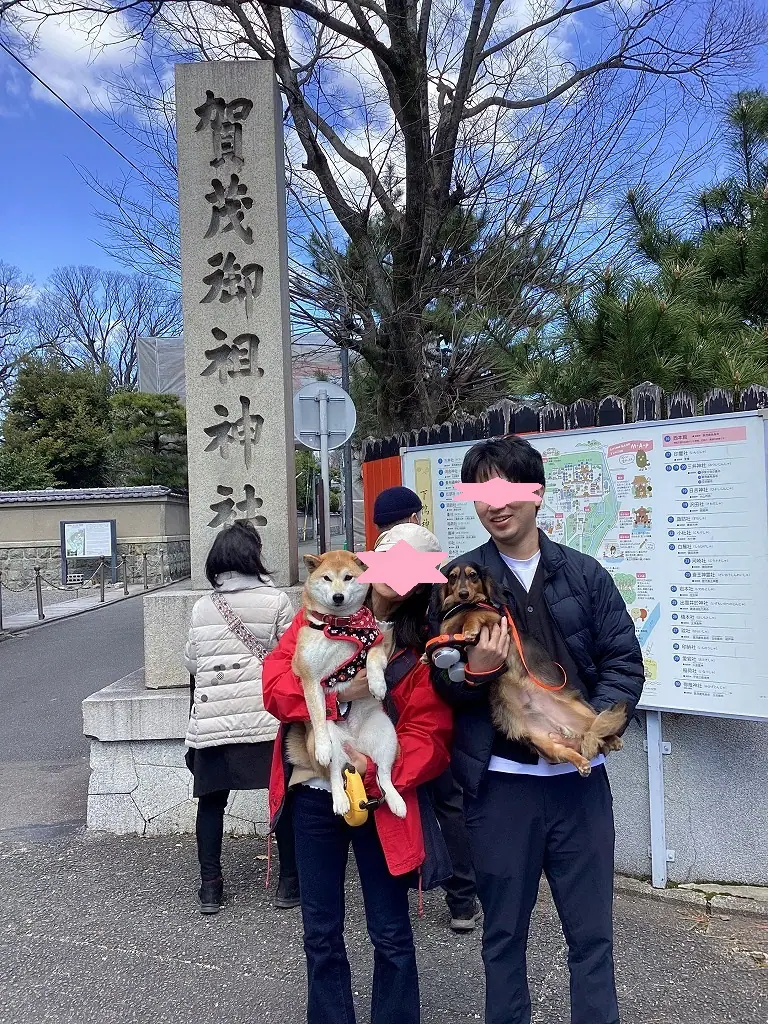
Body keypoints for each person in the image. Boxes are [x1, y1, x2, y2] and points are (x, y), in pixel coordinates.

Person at [431, 436, 644, 1024]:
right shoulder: (457, 579)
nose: (495, 505)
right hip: (501, 787)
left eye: (506, 490)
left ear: (536, 493)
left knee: (592, 939)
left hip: (580, 787)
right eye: (482, 493)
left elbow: (624, 662)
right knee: (502, 938)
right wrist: (471, 674)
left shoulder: (585, 574)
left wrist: (593, 728)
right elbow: (438, 678)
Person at [263, 522, 453, 1024]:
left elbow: (429, 735)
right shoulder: (320, 617)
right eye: (391, 560)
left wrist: (375, 771)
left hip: (379, 793)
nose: (398, 575)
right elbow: (277, 686)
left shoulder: (423, 648)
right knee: (320, 930)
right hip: (314, 788)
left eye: (415, 568)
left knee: (390, 931)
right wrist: (335, 696)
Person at [373, 485, 481, 932]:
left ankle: (400, 882)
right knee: (447, 800)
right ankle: (461, 899)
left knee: (397, 790)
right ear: (416, 518)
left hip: (383, 699)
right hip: (429, 691)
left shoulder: (375, 568)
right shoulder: (433, 563)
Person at [184, 519, 300, 915]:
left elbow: (193, 662)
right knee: (282, 801)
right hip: (265, 724)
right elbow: (293, 658)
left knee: (211, 803)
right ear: (254, 557)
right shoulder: (278, 602)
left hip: (214, 725)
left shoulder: (202, 607)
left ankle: (210, 887)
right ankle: (288, 884)